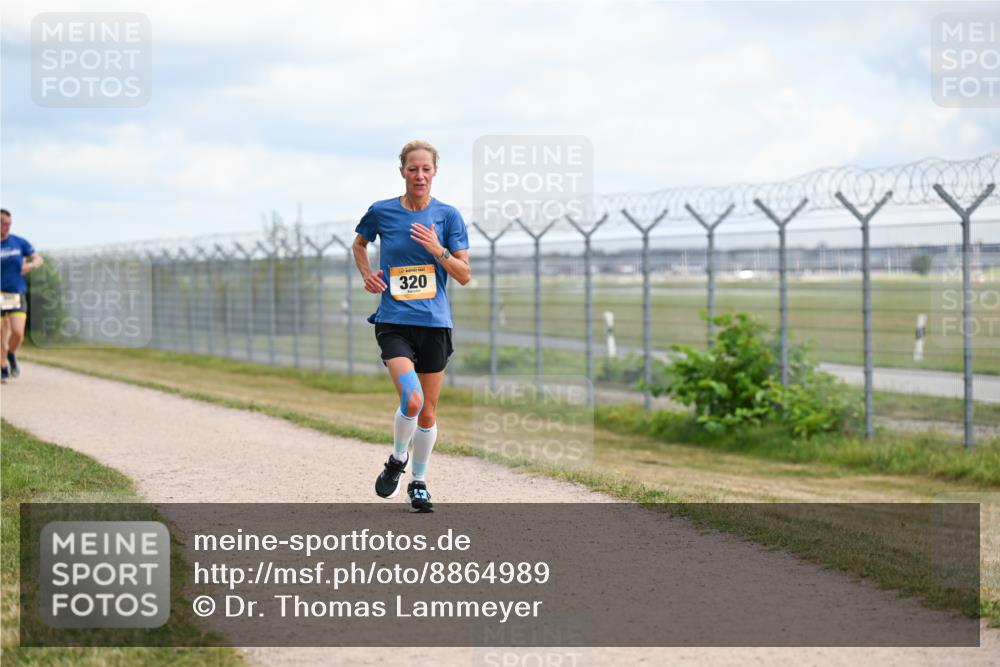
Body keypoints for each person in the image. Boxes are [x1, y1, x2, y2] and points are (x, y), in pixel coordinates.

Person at [353, 140, 471, 512]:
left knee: (429, 412)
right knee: (412, 398)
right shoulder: (382, 211)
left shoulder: (448, 216)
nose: (419, 175)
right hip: (394, 322)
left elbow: (464, 274)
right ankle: (397, 458)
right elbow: (359, 244)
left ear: (435, 172)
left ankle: (417, 482)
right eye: (412, 169)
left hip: (435, 324)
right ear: (402, 171)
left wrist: (438, 250)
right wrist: (368, 275)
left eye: (426, 169)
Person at [1, 209, 44, 384]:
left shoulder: (18, 242)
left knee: (17, 332)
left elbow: (39, 259)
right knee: (1, 332)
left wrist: (31, 266)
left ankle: (10, 354)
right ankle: (2, 367)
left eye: (9, 224)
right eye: (4, 224)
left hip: (16, 293)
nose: (7, 227)